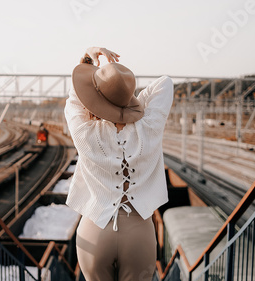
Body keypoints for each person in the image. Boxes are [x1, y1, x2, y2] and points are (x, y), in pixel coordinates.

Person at [64, 47, 174, 281]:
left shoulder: (84, 132)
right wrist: (125, 98)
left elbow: (75, 97)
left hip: (94, 231)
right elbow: (165, 84)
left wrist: (88, 60)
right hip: (139, 233)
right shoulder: (149, 127)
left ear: (94, 99)